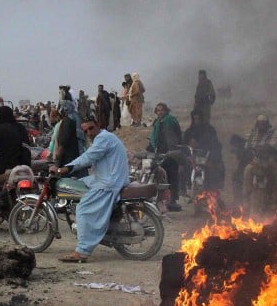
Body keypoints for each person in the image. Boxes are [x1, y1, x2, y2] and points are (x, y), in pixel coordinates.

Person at [50, 116, 129, 262]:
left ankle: (83, 251)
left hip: (109, 181)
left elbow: (88, 157)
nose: (89, 133)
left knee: (83, 209)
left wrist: (66, 168)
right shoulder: (104, 138)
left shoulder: (103, 138)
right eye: (86, 131)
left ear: (98, 125)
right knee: (78, 183)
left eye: (91, 128)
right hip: (104, 176)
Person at [236, 114, 277, 203]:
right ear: (257, 124)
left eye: (264, 123)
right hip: (256, 162)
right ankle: (246, 202)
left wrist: (264, 149)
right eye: (260, 123)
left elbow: (275, 147)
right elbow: (247, 148)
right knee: (246, 172)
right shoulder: (252, 134)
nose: (262, 126)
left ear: (267, 124)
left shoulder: (275, 133)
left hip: (271, 162)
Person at [148, 102, 183, 211]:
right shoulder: (157, 123)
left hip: (172, 152)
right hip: (160, 153)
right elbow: (154, 137)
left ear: (166, 110)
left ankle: (173, 200)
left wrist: (176, 148)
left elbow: (178, 135)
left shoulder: (171, 121)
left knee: (172, 176)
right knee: (161, 176)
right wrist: (151, 147)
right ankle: (162, 200)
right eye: (158, 110)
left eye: (162, 110)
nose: (160, 112)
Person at [182, 109, 225, 192]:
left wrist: (211, 159)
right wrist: (188, 157)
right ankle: (185, 189)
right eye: (195, 119)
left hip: (207, 158)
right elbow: (183, 147)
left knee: (218, 168)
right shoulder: (189, 132)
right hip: (192, 159)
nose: (197, 121)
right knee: (181, 170)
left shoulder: (210, 130)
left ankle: (214, 191)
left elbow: (216, 146)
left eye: (199, 119)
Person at [51, 100, 82, 168]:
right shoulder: (77, 117)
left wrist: (56, 164)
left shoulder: (67, 121)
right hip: (78, 154)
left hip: (68, 158)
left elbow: (63, 141)